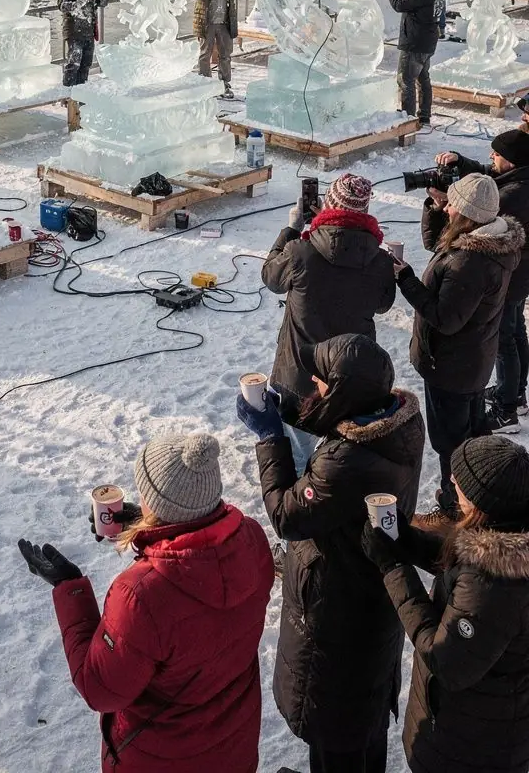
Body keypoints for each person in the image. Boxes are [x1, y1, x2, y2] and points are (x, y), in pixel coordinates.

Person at [18, 431, 274, 773]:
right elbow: (204, 560)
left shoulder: (141, 595)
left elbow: (100, 689)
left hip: (161, 757)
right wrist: (149, 525)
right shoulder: (252, 539)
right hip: (232, 746)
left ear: (158, 501)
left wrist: (70, 589)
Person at [238, 334, 424, 773]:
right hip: (374, 599)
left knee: (337, 736)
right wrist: (292, 410)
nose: (314, 386)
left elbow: (287, 515)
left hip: (338, 614)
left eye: (321, 383)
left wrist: (270, 438)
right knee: (364, 724)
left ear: (342, 393)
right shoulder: (400, 422)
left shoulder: (343, 464)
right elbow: (347, 426)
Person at [363, 436, 529, 773]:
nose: (452, 481)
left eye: (462, 482)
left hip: (471, 745)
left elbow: (447, 661)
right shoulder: (508, 530)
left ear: (485, 504)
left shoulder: (494, 584)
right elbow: (464, 558)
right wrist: (406, 542)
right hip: (478, 724)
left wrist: (393, 568)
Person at [393, 172, 524, 521]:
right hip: (472, 361)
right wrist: (435, 208)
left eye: (452, 205)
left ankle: (456, 509)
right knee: (472, 431)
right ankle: (484, 501)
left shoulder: (470, 262)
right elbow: (437, 245)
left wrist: (405, 279)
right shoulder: (486, 243)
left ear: (468, 216)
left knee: (450, 442)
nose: (448, 208)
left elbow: (445, 318)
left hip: (450, 367)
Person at [261, 173, 396, 473]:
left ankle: (297, 509)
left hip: (299, 375)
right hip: (350, 379)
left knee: (296, 456)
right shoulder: (380, 260)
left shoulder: (301, 251)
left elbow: (270, 276)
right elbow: (383, 305)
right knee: (340, 461)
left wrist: (291, 228)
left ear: (329, 206)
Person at [435, 127, 529, 431]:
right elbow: (490, 174)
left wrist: (448, 205)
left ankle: (506, 409)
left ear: (511, 162)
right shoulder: (519, 178)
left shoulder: (512, 195)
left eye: (497, 154)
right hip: (520, 273)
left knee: (504, 341)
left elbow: (480, 207)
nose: (491, 157)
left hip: (510, 277)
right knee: (515, 333)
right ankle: (515, 394)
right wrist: (460, 161)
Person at [183, 0, 253, 99]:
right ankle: (205, 84)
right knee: (204, 55)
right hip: (206, 22)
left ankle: (224, 84)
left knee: (225, 55)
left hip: (224, 22)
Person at [387, 0, 443, 130]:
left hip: (414, 41)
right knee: (422, 78)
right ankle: (424, 116)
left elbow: (400, 5)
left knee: (406, 80)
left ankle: (407, 121)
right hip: (428, 39)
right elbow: (418, 3)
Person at [57, 0, 107, 89]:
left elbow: (90, 3)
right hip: (74, 31)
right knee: (73, 64)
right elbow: (63, 5)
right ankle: (69, 95)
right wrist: (82, 1)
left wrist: (99, 2)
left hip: (88, 30)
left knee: (86, 64)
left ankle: (81, 94)